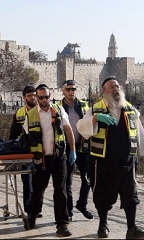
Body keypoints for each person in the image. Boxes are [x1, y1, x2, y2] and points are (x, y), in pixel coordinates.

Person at [77, 76, 144, 239]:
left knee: (131, 195)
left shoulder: (130, 109)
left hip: (127, 161)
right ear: (104, 92)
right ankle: (103, 225)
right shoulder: (95, 109)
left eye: (117, 86)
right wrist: (95, 119)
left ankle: (132, 229)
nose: (115, 89)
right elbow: (81, 127)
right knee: (103, 196)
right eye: (111, 87)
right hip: (103, 162)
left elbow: (138, 131)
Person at [26, 84, 75, 237]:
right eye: (41, 97)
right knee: (38, 191)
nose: (44, 100)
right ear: (37, 97)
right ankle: (32, 215)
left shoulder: (59, 110)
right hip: (41, 159)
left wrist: (72, 150)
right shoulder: (31, 114)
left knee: (60, 191)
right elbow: (27, 138)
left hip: (58, 157)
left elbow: (68, 129)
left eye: (47, 97)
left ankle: (62, 224)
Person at [58, 80, 93, 221]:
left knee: (88, 178)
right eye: (68, 89)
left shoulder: (84, 105)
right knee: (68, 181)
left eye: (73, 89)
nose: (71, 92)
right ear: (63, 91)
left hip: (82, 147)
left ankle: (82, 204)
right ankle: (69, 211)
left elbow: (90, 122)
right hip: (66, 147)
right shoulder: (58, 106)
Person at [9, 85, 39, 218]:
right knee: (27, 182)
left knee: (39, 182)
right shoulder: (19, 113)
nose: (32, 97)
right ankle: (29, 210)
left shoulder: (41, 111)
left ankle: (36, 208)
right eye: (29, 95)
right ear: (24, 98)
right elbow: (13, 135)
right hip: (24, 153)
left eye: (34, 95)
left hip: (39, 151)